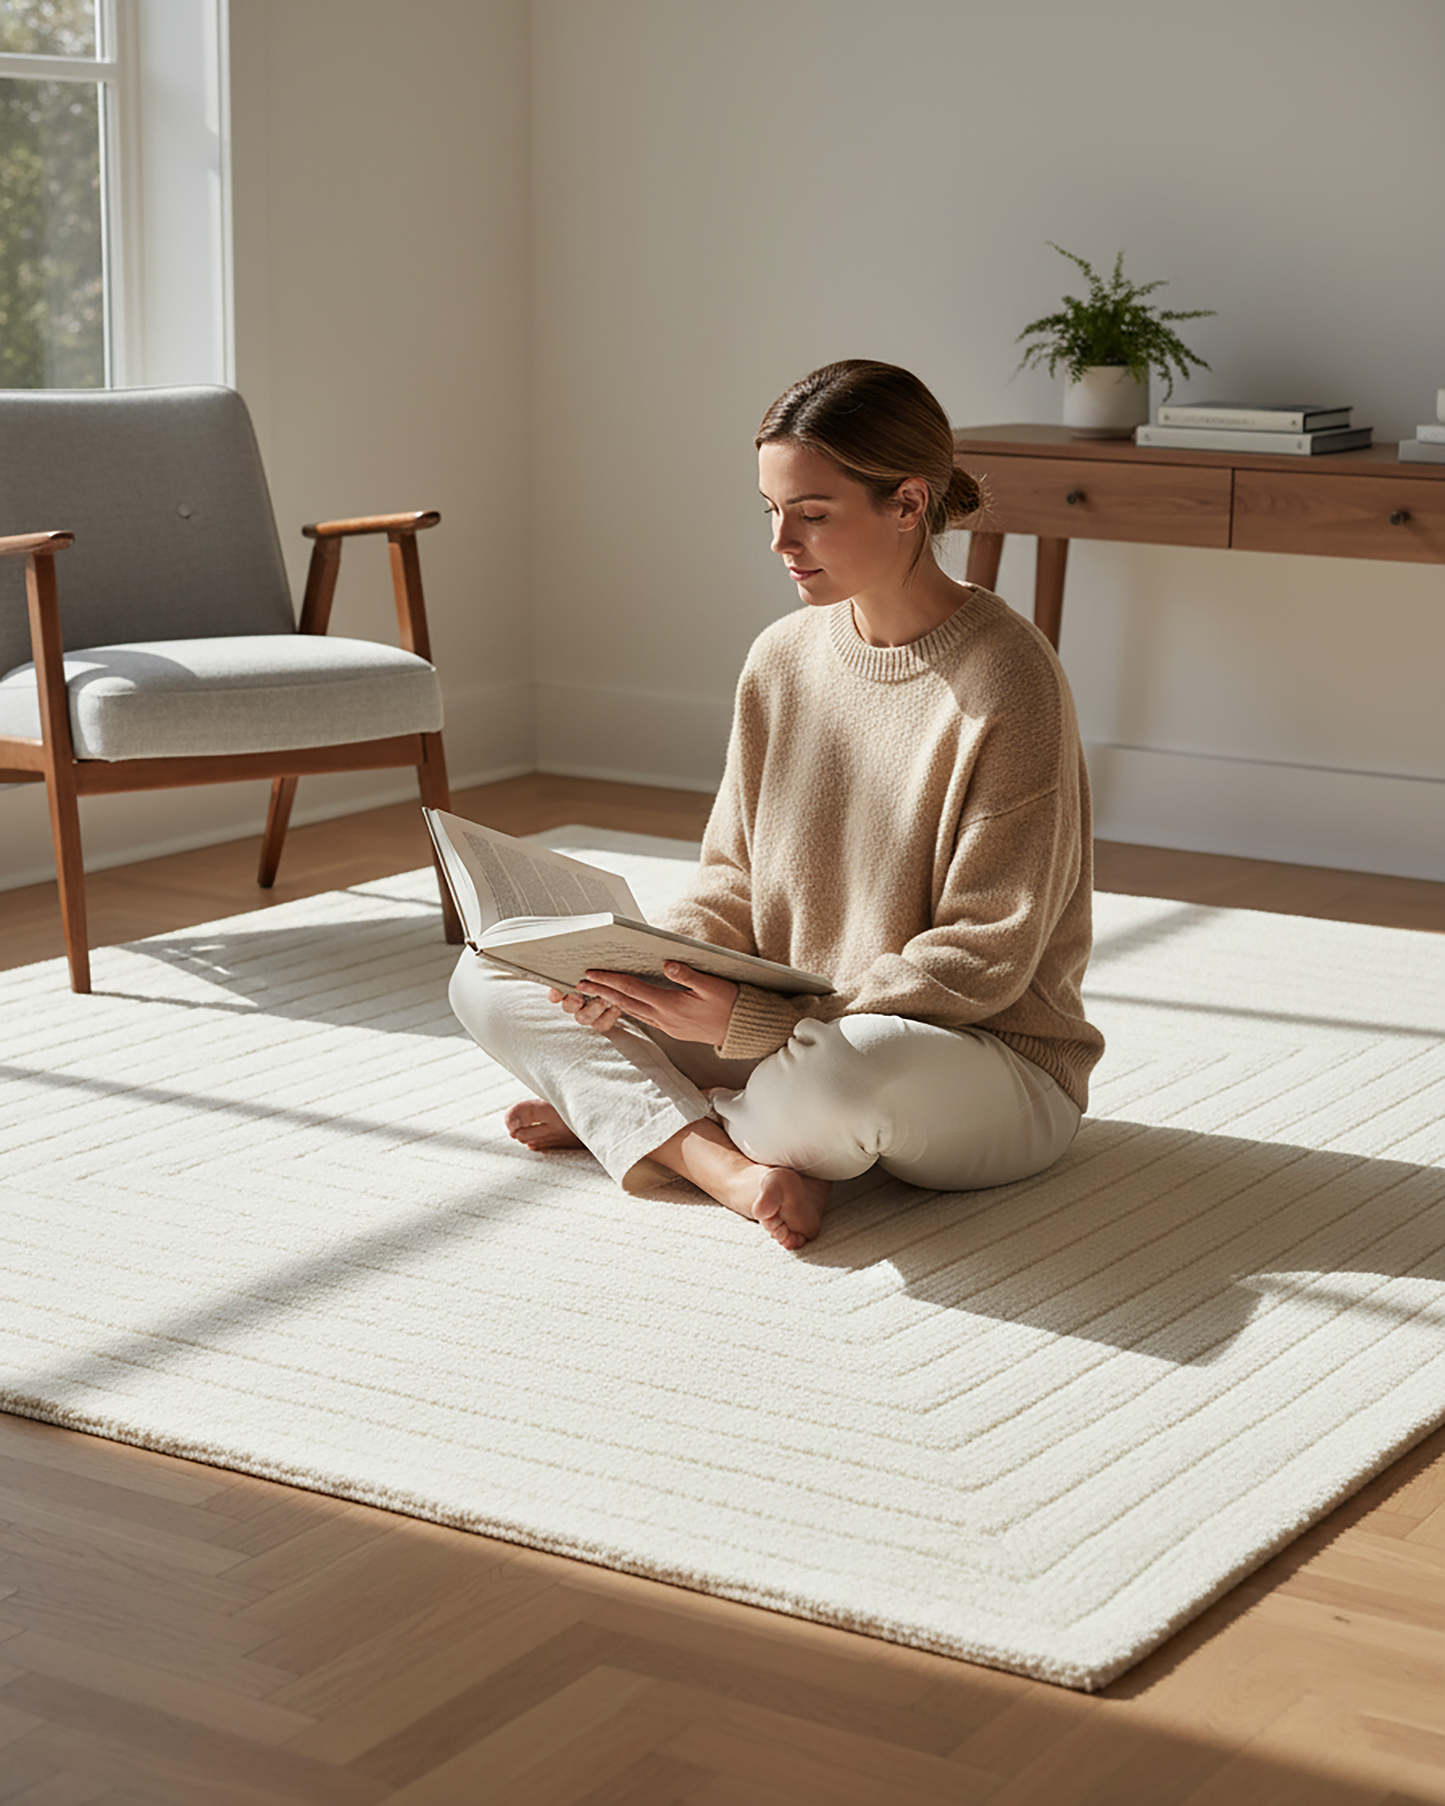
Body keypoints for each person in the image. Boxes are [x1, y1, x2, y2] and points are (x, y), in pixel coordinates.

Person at [449, 359, 1103, 1251]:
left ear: (909, 504)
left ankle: (642, 1118)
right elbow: (731, 877)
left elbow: (984, 954)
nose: (780, 542)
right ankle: (725, 1161)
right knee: (488, 974)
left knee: (850, 1079)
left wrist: (762, 1023)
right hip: (786, 1036)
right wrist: (653, 979)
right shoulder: (782, 657)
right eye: (770, 511)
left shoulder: (1009, 677)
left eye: (812, 513)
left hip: (976, 1061)